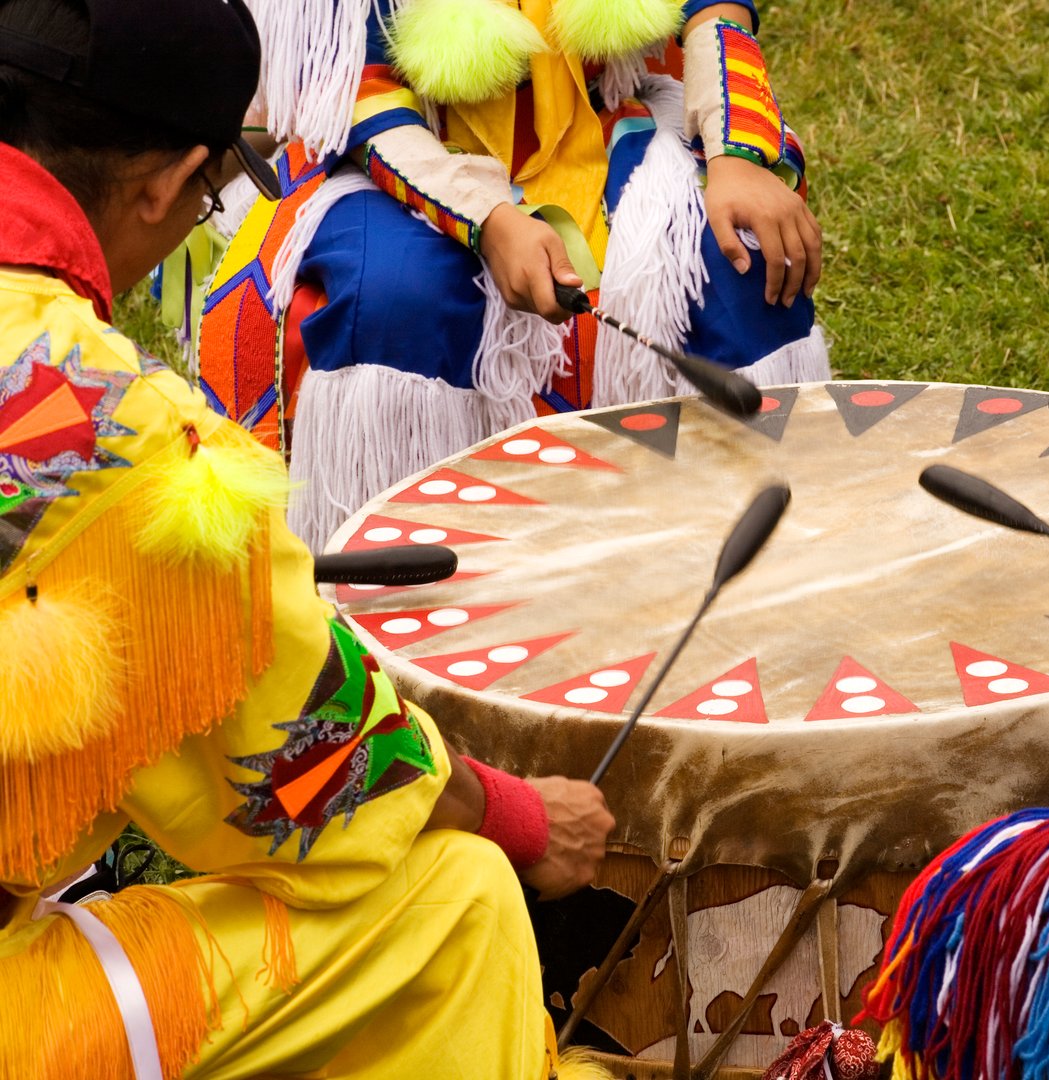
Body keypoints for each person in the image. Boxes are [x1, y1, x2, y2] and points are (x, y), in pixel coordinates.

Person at [0, 1, 614, 1076]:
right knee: (452, 903)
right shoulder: (107, 432)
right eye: (203, 200)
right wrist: (514, 814)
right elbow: (305, 766)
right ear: (164, 181)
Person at [197, 0, 829, 550]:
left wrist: (736, 156)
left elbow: (714, 8)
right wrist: (489, 222)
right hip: (396, 143)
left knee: (734, 260)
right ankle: (392, 584)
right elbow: (362, 91)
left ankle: (737, 550)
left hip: (609, 110)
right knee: (399, 297)